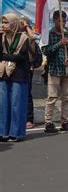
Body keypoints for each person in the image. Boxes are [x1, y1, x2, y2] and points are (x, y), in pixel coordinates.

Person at [0, 13, 35, 142]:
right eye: (3, 22)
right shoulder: (2, 37)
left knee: (16, 103)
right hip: (4, 73)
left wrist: (5, 56)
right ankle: (3, 132)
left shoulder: (23, 38)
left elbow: (21, 57)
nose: (4, 25)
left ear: (14, 23)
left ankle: (16, 132)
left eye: (6, 22)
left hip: (19, 74)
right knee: (3, 104)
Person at [42, 10, 68, 133]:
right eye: (59, 21)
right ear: (54, 21)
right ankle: (48, 122)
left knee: (67, 97)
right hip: (54, 70)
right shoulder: (49, 34)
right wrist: (59, 44)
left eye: (64, 21)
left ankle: (65, 122)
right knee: (52, 97)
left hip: (66, 70)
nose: (62, 23)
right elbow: (46, 51)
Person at [20, 16, 42, 129]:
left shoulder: (28, 37)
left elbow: (33, 37)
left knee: (27, 94)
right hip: (12, 69)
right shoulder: (13, 36)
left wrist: (26, 27)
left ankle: (29, 119)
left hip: (27, 69)